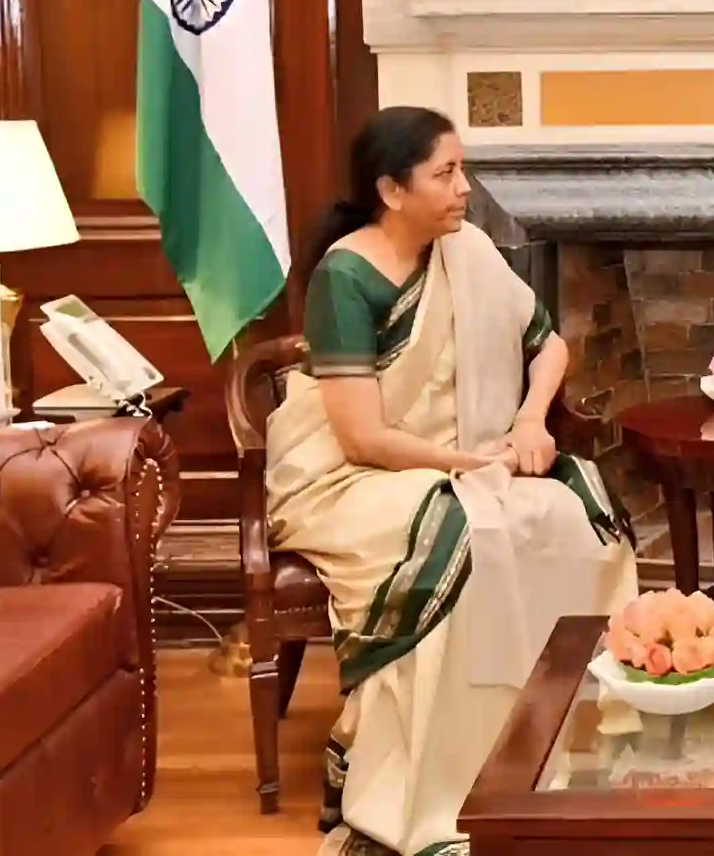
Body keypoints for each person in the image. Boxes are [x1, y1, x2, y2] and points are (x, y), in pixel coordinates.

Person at [266, 106, 638, 856]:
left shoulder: (465, 251)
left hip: (466, 457)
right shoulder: (346, 277)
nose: (465, 187)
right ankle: (436, 783)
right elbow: (363, 437)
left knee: (578, 515)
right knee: (468, 531)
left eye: (462, 169)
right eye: (446, 173)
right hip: (349, 476)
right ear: (392, 190)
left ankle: (567, 750)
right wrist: (476, 466)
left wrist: (529, 423)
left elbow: (550, 346)